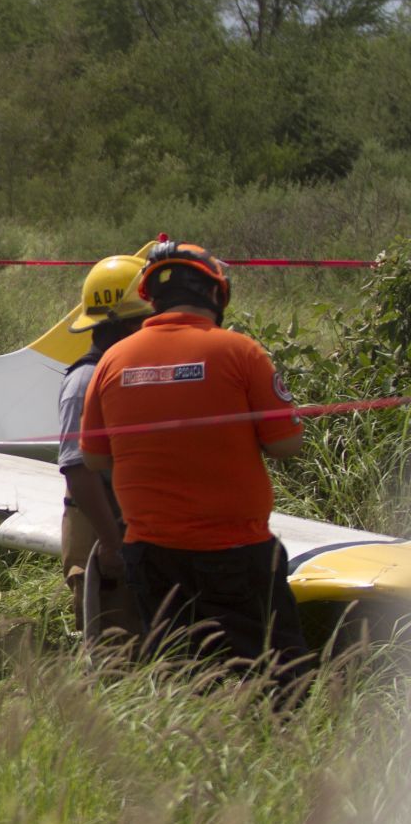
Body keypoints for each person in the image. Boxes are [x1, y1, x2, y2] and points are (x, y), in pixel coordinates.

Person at [79, 240, 310, 685]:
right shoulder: (241, 352)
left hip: (150, 552)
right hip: (235, 549)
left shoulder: (112, 360)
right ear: (216, 293)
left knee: (181, 675)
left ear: (152, 297)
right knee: (278, 676)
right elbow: (286, 444)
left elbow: (93, 456)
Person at [57, 254, 149, 649]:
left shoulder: (130, 371)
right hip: (103, 534)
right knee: (118, 655)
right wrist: (112, 545)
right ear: (129, 324)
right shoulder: (85, 382)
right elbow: (78, 471)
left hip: (131, 530)